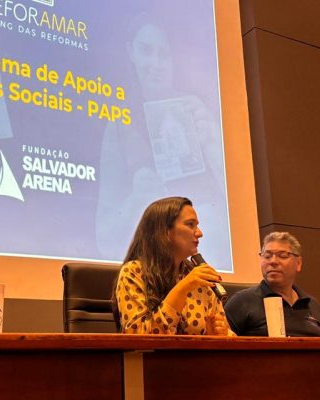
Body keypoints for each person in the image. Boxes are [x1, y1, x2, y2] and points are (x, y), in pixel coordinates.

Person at [95, 13, 230, 264]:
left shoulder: (199, 113)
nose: (155, 63)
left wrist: (213, 146)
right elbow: (104, 238)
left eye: (164, 54)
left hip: (210, 262)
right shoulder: (120, 125)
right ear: (131, 53)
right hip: (152, 269)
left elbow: (239, 209)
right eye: (146, 50)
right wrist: (136, 199)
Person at [112, 196, 231, 335]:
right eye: (190, 224)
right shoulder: (133, 272)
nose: (199, 233)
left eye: (197, 225)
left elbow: (229, 336)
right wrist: (183, 288)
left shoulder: (201, 280)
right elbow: (137, 336)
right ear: (164, 231)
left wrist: (218, 335)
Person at [224, 232, 320, 337]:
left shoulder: (312, 305)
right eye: (267, 256)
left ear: (298, 263)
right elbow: (221, 342)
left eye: (282, 256)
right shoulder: (242, 302)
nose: (273, 261)